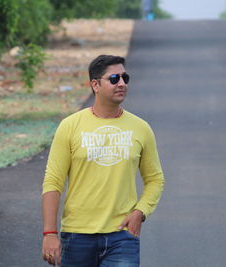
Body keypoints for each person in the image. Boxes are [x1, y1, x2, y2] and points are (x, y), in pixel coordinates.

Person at [41, 55, 165, 267]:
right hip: (76, 236)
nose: (122, 84)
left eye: (125, 78)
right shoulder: (70, 126)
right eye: (114, 78)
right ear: (95, 85)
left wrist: (139, 212)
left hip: (122, 236)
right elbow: (53, 181)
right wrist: (50, 233)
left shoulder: (141, 128)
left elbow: (155, 179)